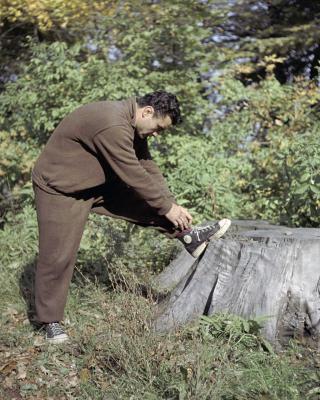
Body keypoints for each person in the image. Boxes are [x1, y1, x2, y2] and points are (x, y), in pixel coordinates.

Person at [32, 90, 231, 343]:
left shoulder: (134, 124)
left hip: (94, 183)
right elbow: (132, 173)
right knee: (58, 255)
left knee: (151, 201)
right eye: (158, 128)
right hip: (59, 188)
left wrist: (170, 204)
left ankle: (188, 236)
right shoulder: (112, 124)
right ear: (147, 112)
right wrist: (167, 207)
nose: (157, 134)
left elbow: (147, 165)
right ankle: (50, 321)